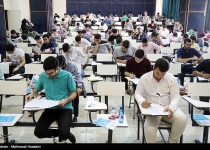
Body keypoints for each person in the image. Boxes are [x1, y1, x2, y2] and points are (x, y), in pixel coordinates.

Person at [25, 56, 77, 144]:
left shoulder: (67, 75)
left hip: (65, 108)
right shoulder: (43, 76)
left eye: (51, 73)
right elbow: (37, 91)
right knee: (38, 132)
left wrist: (66, 100)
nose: (49, 75)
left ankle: (65, 134)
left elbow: (74, 93)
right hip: (50, 108)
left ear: (57, 68)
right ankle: (67, 134)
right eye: (47, 73)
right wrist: (31, 94)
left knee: (64, 133)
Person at [135, 58, 187, 143]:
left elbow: (176, 96)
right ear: (154, 67)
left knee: (182, 119)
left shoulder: (171, 79)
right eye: (157, 73)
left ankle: (172, 141)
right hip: (152, 109)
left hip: (167, 108)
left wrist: (171, 108)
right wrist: (142, 102)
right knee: (149, 129)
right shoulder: (145, 78)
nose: (159, 76)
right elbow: (137, 93)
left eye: (162, 74)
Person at [56, 55, 84, 122]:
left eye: (61, 66)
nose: (60, 68)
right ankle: (60, 114)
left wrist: (79, 86)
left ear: (64, 63)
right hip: (61, 84)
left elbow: (78, 76)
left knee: (75, 94)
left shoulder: (72, 65)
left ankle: (75, 115)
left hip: (73, 84)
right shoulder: (55, 66)